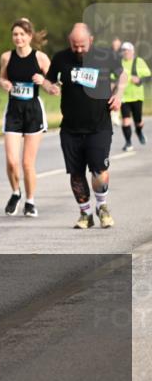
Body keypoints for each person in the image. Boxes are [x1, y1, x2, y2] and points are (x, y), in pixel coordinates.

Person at [40, 23, 126, 229]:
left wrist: (118, 96)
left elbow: (121, 75)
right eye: (74, 45)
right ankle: (85, 213)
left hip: (99, 125)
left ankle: (102, 206)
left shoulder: (105, 56)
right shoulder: (61, 58)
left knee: (99, 169)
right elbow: (48, 80)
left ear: (91, 41)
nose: (78, 50)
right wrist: (49, 87)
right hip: (70, 128)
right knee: (76, 173)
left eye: (82, 46)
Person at [0, 18, 52, 218]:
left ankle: (30, 201)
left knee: (27, 163)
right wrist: (4, 83)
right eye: (15, 34)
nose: (18, 38)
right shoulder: (6, 57)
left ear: (30, 36)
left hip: (33, 112)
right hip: (13, 111)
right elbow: (2, 77)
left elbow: (55, 86)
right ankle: (15, 192)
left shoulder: (41, 58)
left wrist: (43, 80)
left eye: (22, 34)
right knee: (12, 161)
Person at [117, 41, 150, 151]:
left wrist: (139, 80)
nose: (125, 52)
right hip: (124, 97)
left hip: (137, 96)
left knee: (138, 121)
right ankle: (128, 142)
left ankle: (139, 132)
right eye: (123, 50)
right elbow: (113, 77)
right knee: (125, 120)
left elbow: (148, 76)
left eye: (127, 50)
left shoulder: (138, 61)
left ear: (132, 51)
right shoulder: (119, 63)